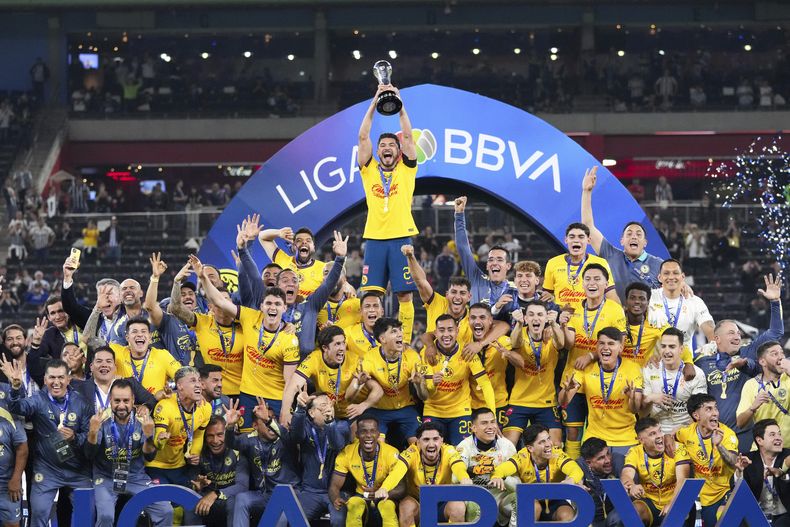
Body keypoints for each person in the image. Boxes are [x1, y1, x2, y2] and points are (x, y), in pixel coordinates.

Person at [695, 274, 784, 450]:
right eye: (731, 333)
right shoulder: (702, 361)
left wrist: (775, 302)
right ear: (717, 338)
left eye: (737, 333)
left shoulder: (748, 351)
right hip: (714, 434)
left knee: (746, 477)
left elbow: (775, 332)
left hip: (744, 434)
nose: (737, 336)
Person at [2, 358, 92, 527]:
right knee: (39, 512)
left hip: (78, 471)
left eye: (60, 378)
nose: (56, 382)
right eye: (52, 378)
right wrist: (15, 388)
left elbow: (90, 439)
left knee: (85, 516)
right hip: (48, 470)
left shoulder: (82, 404)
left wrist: (75, 437)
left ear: (68, 379)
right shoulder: (39, 399)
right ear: (45, 379)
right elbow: (17, 407)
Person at [356, 82, 417, 314]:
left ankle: (405, 343)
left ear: (398, 151)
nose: (387, 147)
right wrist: (375, 101)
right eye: (382, 145)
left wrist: (399, 105)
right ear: (378, 151)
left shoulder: (406, 169)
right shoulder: (369, 169)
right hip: (374, 238)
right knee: (370, 296)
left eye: (392, 144)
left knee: (404, 294)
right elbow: (363, 137)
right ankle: (374, 341)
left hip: (401, 237)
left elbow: (409, 137)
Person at [86, 378, 173, 527]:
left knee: (166, 510)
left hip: (136, 477)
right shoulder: (101, 419)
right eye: (117, 400)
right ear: (110, 400)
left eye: (126, 400)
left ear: (133, 400)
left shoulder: (143, 420)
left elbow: (149, 456)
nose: (121, 406)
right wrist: (93, 432)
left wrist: (149, 437)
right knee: (106, 516)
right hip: (106, 478)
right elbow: (89, 455)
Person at [560, 264, 626, 459]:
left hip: (603, 378)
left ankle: (602, 471)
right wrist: (563, 327)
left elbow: (619, 343)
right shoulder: (574, 310)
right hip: (574, 376)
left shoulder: (615, 310)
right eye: (588, 278)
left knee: (600, 432)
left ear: (606, 284)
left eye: (597, 279)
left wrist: (591, 355)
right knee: (572, 431)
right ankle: (572, 470)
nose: (592, 283)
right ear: (582, 283)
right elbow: (569, 343)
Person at [559, 327, 643, 471]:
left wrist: (632, 397)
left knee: (626, 477)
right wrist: (566, 391)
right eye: (601, 343)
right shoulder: (586, 369)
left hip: (625, 438)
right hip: (595, 437)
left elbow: (635, 409)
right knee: (585, 478)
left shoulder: (632, 368)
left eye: (611, 344)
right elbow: (564, 402)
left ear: (621, 347)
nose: (605, 348)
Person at [581, 166, 663, 299]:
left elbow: (673, 285)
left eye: (638, 234)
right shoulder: (611, 254)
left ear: (645, 243)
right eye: (629, 234)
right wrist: (586, 192)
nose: (634, 237)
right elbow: (588, 227)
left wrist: (684, 285)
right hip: (614, 318)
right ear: (622, 241)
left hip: (646, 319)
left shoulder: (658, 264)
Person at [280, 325, 383, 426]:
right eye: (337, 344)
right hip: (327, 413)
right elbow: (292, 387)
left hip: (351, 415)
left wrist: (363, 406)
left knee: (348, 428)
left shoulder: (355, 361)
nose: (342, 348)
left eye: (343, 343)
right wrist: (285, 413)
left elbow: (378, 390)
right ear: (325, 347)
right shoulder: (314, 359)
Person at [674, 394, 751, 526]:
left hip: (723, 492)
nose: (715, 413)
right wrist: (669, 439)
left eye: (716, 408)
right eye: (709, 409)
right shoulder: (686, 433)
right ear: (696, 416)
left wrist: (719, 446)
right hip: (700, 496)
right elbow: (672, 436)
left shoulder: (726, 434)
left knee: (725, 518)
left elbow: (734, 461)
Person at [376, 421, 472, 526]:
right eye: (426, 439)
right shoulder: (411, 452)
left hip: (443, 503)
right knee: (406, 506)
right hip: (417, 502)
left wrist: (464, 478)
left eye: (435, 439)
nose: (431, 444)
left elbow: (458, 466)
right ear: (418, 442)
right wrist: (384, 488)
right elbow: (397, 472)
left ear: (441, 440)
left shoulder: (449, 451)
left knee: (458, 507)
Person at [421, 314, 496, 445]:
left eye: (450, 330)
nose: (446, 334)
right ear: (435, 332)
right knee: (431, 451)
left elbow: (485, 383)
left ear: (457, 331)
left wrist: (492, 416)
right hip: (433, 410)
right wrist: (433, 383)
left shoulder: (467, 351)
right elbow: (426, 395)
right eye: (442, 330)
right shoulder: (427, 352)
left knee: (461, 453)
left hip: (461, 410)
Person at [490, 424, 584, 524]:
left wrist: (571, 479)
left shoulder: (557, 454)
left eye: (548, 439)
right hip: (531, 499)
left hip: (554, 500)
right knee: (534, 508)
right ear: (530, 448)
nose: (548, 444)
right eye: (542, 442)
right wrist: (496, 476)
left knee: (567, 516)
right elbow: (502, 469)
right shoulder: (522, 457)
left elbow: (576, 470)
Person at [171, 268, 244, 399]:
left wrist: (285, 325)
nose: (223, 304)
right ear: (210, 307)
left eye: (226, 299)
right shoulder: (202, 322)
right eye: (218, 300)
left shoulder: (244, 324)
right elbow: (176, 308)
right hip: (213, 393)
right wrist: (176, 282)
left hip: (242, 392)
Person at [506, 300, 570, 446]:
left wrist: (554, 324)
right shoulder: (519, 331)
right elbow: (515, 343)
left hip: (546, 402)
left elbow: (560, 344)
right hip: (520, 400)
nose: (536, 318)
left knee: (555, 446)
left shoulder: (552, 333)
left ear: (546, 317)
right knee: (508, 446)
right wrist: (519, 324)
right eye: (531, 315)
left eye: (540, 315)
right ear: (526, 318)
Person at [283, 392, 351, 527]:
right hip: (310, 491)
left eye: (329, 405)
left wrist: (330, 422)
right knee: (294, 520)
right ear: (312, 413)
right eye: (323, 406)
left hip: (335, 492)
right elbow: (295, 436)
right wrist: (300, 409)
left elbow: (337, 444)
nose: (328, 408)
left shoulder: (342, 426)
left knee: (339, 521)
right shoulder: (306, 427)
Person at [358, 317, 430, 445]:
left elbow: (424, 396)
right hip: (379, 410)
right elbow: (358, 381)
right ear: (382, 339)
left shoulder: (412, 356)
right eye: (394, 332)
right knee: (377, 445)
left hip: (406, 408)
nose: (400, 334)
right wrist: (358, 384)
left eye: (400, 330)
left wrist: (419, 384)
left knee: (419, 444)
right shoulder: (370, 358)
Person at [229, 398, 299, 527]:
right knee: (241, 498)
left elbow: (288, 436)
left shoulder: (285, 438)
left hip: (287, 496)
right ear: (255, 426)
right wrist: (229, 426)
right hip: (264, 494)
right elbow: (231, 442)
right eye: (265, 421)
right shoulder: (250, 440)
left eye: (272, 419)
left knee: (278, 514)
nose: (270, 424)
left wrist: (268, 420)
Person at [329, 414, 404, 527]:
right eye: (363, 431)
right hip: (361, 496)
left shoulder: (391, 453)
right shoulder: (347, 453)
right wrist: (335, 498)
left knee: (387, 506)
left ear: (378, 434)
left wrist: (382, 493)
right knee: (353, 504)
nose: (368, 435)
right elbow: (334, 486)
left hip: (384, 497)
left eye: (372, 431)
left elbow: (402, 488)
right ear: (357, 435)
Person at [148, 366, 213, 486]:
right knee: (163, 501)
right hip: (155, 465)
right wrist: (161, 441)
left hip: (179, 466)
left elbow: (199, 435)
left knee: (186, 501)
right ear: (179, 386)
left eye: (199, 380)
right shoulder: (165, 406)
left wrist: (194, 454)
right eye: (193, 381)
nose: (199, 385)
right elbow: (157, 443)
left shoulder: (205, 408)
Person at [622, 418, 691, 527]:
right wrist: (631, 486)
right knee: (633, 512)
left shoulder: (676, 449)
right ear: (641, 440)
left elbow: (682, 481)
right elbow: (626, 474)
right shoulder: (635, 452)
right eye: (652, 434)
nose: (659, 436)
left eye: (660, 430)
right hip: (650, 502)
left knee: (678, 512)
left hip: (674, 501)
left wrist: (672, 504)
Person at [641, 328, 707, 440]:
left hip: (686, 431)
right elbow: (642, 413)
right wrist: (650, 398)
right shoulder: (649, 370)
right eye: (663, 346)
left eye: (672, 347)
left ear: (681, 349)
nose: (667, 351)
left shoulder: (697, 373)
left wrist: (682, 430)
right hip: (655, 433)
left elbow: (700, 411)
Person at [456, 407, 518, 526]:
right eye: (484, 423)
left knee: (520, 501)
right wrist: (474, 472)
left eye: (492, 422)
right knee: (472, 506)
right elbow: (455, 478)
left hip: (501, 498)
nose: (490, 426)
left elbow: (518, 483)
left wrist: (502, 477)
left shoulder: (507, 446)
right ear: (473, 428)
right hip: (474, 498)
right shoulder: (464, 447)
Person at [453, 196, 518, 309]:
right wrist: (459, 215)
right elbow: (463, 248)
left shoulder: (515, 289)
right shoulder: (477, 279)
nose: (494, 263)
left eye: (499, 259)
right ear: (487, 265)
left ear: (508, 265)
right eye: (491, 260)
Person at [186, 415, 249, 527]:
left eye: (220, 435)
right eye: (210, 436)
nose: (215, 441)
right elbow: (193, 482)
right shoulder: (199, 452)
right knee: (191, 500)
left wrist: (216, 494)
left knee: (235, 502)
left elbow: (242, 486)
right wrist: (197, 486)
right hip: (207, 501)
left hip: (229, 499)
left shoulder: (237, 451)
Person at [543, 222, 618, 310]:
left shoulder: (601, 263)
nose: (576, 240)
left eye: (581, 237)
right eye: (572, 237)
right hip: (562, 318)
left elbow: (611, 295)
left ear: (588, 240)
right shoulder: (553, 263)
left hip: (590, 318)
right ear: (566, 240)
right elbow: (548, 295)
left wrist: (617, 314)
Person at [144, 253, 199, 367]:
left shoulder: (204, 318)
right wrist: (155, 278)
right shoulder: (169, 320)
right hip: (180, 378)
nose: (188, 296)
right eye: (182, 294)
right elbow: (150, 306)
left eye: (190, 294)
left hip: (204, 379)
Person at [104, 317, 181, 397]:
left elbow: (184, 378)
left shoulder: (162, 356)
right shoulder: (116, 352)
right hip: (124, 406)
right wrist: (96, 311)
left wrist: (169, 386)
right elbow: (91, 341)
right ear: (127, 338)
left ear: (150, 337)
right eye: (134, 331)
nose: (140, 335)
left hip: (155, 406)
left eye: (143, 331)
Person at [647, 259, 714, 349]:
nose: (671, 277)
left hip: (685, 361)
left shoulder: (695, 302)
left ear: (682, 277)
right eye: (666, 273)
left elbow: (710, 329)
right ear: (659, 277)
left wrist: (712, 344)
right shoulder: (649, 298)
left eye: (675, 273)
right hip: (655, 361)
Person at [72, 345, 157, 413]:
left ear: (115, 367)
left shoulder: (130, 384)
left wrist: (146, 406)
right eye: (99, 361)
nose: (104, 365)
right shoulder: (80, 388)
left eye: (108, 361)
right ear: (91, 367)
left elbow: (151, 400)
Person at [736, 341, 790, 443]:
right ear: (762, 362)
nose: (781, 357)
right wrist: (753, 407)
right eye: (775, 354)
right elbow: (740, 423)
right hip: (762, 450)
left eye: (782, 353)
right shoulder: (751, 385)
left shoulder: (788, 377)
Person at [742, 419, 790, 526]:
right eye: (772, 435)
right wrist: (739, 471)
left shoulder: (788, 456)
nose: (778, 438)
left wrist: (782, 475)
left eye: (779, 434)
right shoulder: (748, 460)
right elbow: (737, 489)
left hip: (785, 515)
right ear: (760, 440)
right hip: (757, 514)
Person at [257, 226, 326, 297]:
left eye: (308, 241)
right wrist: (279, 233)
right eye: (299, 240)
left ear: (313, 247)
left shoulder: (324, 269)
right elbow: (262, 237)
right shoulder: (282, 260)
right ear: (293, 247)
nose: (304, 242)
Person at [28, 296, 82, 383]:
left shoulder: (82, 325)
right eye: (53, 313)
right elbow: (33, 359)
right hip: (67, 382)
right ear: (49, 317)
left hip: (91, 377)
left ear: (68, 310)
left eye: (61, 311)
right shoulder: (49, 335)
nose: (57, 316)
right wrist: (36, 342)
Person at [578, 438, 621, 527]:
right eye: (601, 458)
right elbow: (573, 484)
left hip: (615, 516)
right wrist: (577, 486)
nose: (608, 460)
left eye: (608, 454)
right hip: (591, 518)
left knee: (616, 518)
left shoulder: (618, 460)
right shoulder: (579, 466)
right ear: (589, 463)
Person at [0, 403, 26, 527]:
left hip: (6, 485)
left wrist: (16, 479)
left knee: (12, 525)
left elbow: (22, 449)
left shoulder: (8, 417)